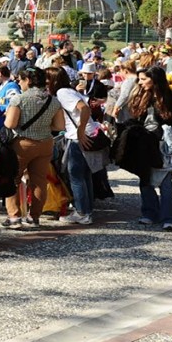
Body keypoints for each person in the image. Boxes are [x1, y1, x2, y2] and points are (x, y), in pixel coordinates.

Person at [1, 68, 64, 228]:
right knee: (39, 181)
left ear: (28, 80)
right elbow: (59, 125)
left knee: (13, 179)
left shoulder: (19, 99)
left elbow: (10, 124)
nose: (19, 83)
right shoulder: (53, 101)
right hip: (45, 143)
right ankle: (34, 217)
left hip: (22, 144)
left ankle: (14, 217)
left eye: (20, 80)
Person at [125, 66, 172, 232]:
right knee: (145, 179)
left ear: (155, 79)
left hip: (167, 144)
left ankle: (169, 218)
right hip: (144, 143)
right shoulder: (141, 96)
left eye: (144, 79)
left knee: (166, 183)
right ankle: (150, 213)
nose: (140, 82)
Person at [47, 66, 104, 226]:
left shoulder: (62, 93)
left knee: (76, 175)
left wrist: (80, 131)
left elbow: (84, 108)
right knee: (85, 175)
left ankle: (82, 212)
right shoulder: (70, 90)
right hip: (88, 133)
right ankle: (87, 210)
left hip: (78, 136)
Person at [0, 64, 20, 134]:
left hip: (4, 123)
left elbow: (15, 101)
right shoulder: (2, 86)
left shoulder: (11, 86)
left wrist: (8, 111)